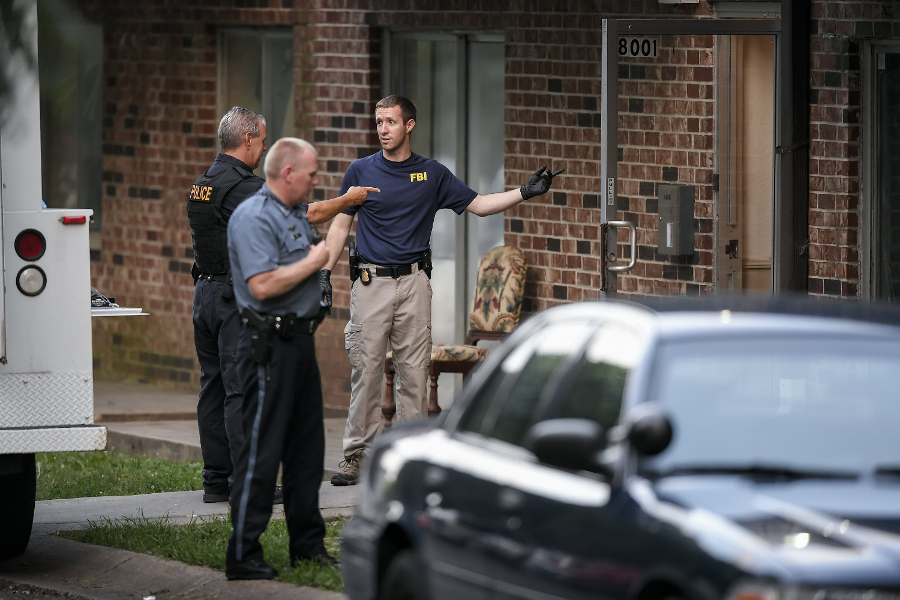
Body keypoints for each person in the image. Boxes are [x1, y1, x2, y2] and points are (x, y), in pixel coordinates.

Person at [325, 95, 563, 486]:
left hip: (415, 283)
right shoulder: (360, 171)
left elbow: (481, 204)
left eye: (390, 122)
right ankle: (356, 457)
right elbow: (339, 225)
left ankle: (410, 458)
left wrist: (525, 192)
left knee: (414, 375)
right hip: (371, 283)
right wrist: (325, 271)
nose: (382, 129)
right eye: (379, 122)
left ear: (409, 125)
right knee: (366, 371)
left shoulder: (432, 174)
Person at [189, 107, 375, 505]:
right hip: (231, 300)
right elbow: (303, 213)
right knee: (242, 391)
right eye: (263, 139)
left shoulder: (203, 182)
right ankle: (246, 483)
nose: (265, 146)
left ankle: (216, 481)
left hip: (203, 295)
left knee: (214, 388)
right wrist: (349, 199)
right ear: (249, 140)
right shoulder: (241, 186)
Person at [224, 137, 378, 580]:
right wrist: (315, 264)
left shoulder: (293, 213)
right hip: (266, 349)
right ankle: (243, 554)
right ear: (287, 172)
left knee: (307, 454)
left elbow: (319, 237)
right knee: (263, 453)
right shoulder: (253, 217)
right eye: (311, 173)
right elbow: (262, 286)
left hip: (299, 346)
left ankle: (307, 549)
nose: (316, 179)